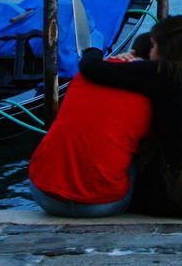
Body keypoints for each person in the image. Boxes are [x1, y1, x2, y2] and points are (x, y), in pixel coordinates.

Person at [78, 15, 182, 217]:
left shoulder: (163, 72)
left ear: (164, 48)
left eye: (153, 46)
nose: (150, 53)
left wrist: (94, 50)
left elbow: (91, 69)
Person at [27, 34, 154, 218]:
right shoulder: (150, 89)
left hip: (44, 195)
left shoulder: (83, 76)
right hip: (102, 205)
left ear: (132, 52)